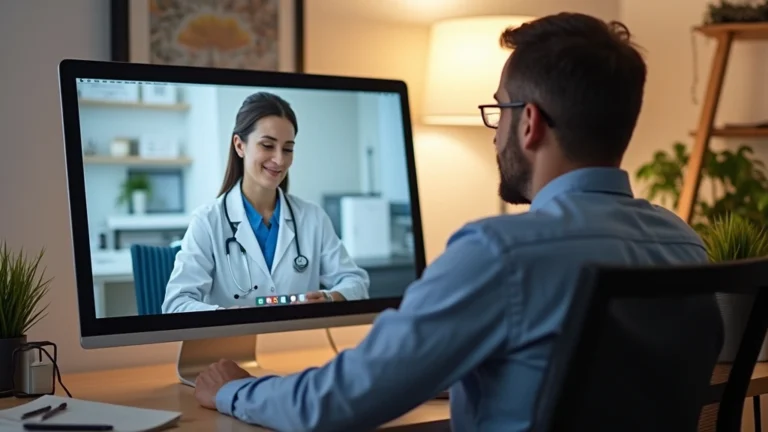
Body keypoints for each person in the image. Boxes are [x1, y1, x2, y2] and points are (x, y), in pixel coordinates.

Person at [193, 13, 724, 431]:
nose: (495, 135)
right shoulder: (682, 241)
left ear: (530, 123)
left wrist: (233, 390)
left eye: (499, 112)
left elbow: (341, 402)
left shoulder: (499, 254)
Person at [162, 92, 370, 313]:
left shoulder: (312, 218)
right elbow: (176, 304)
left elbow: (355, 281)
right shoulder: (207, 221)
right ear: (240, 146)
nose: (280, 159)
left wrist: (330, 298)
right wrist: (226, 317)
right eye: (267, 145)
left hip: (300, 341)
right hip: (236, 343)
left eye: (288, 149)